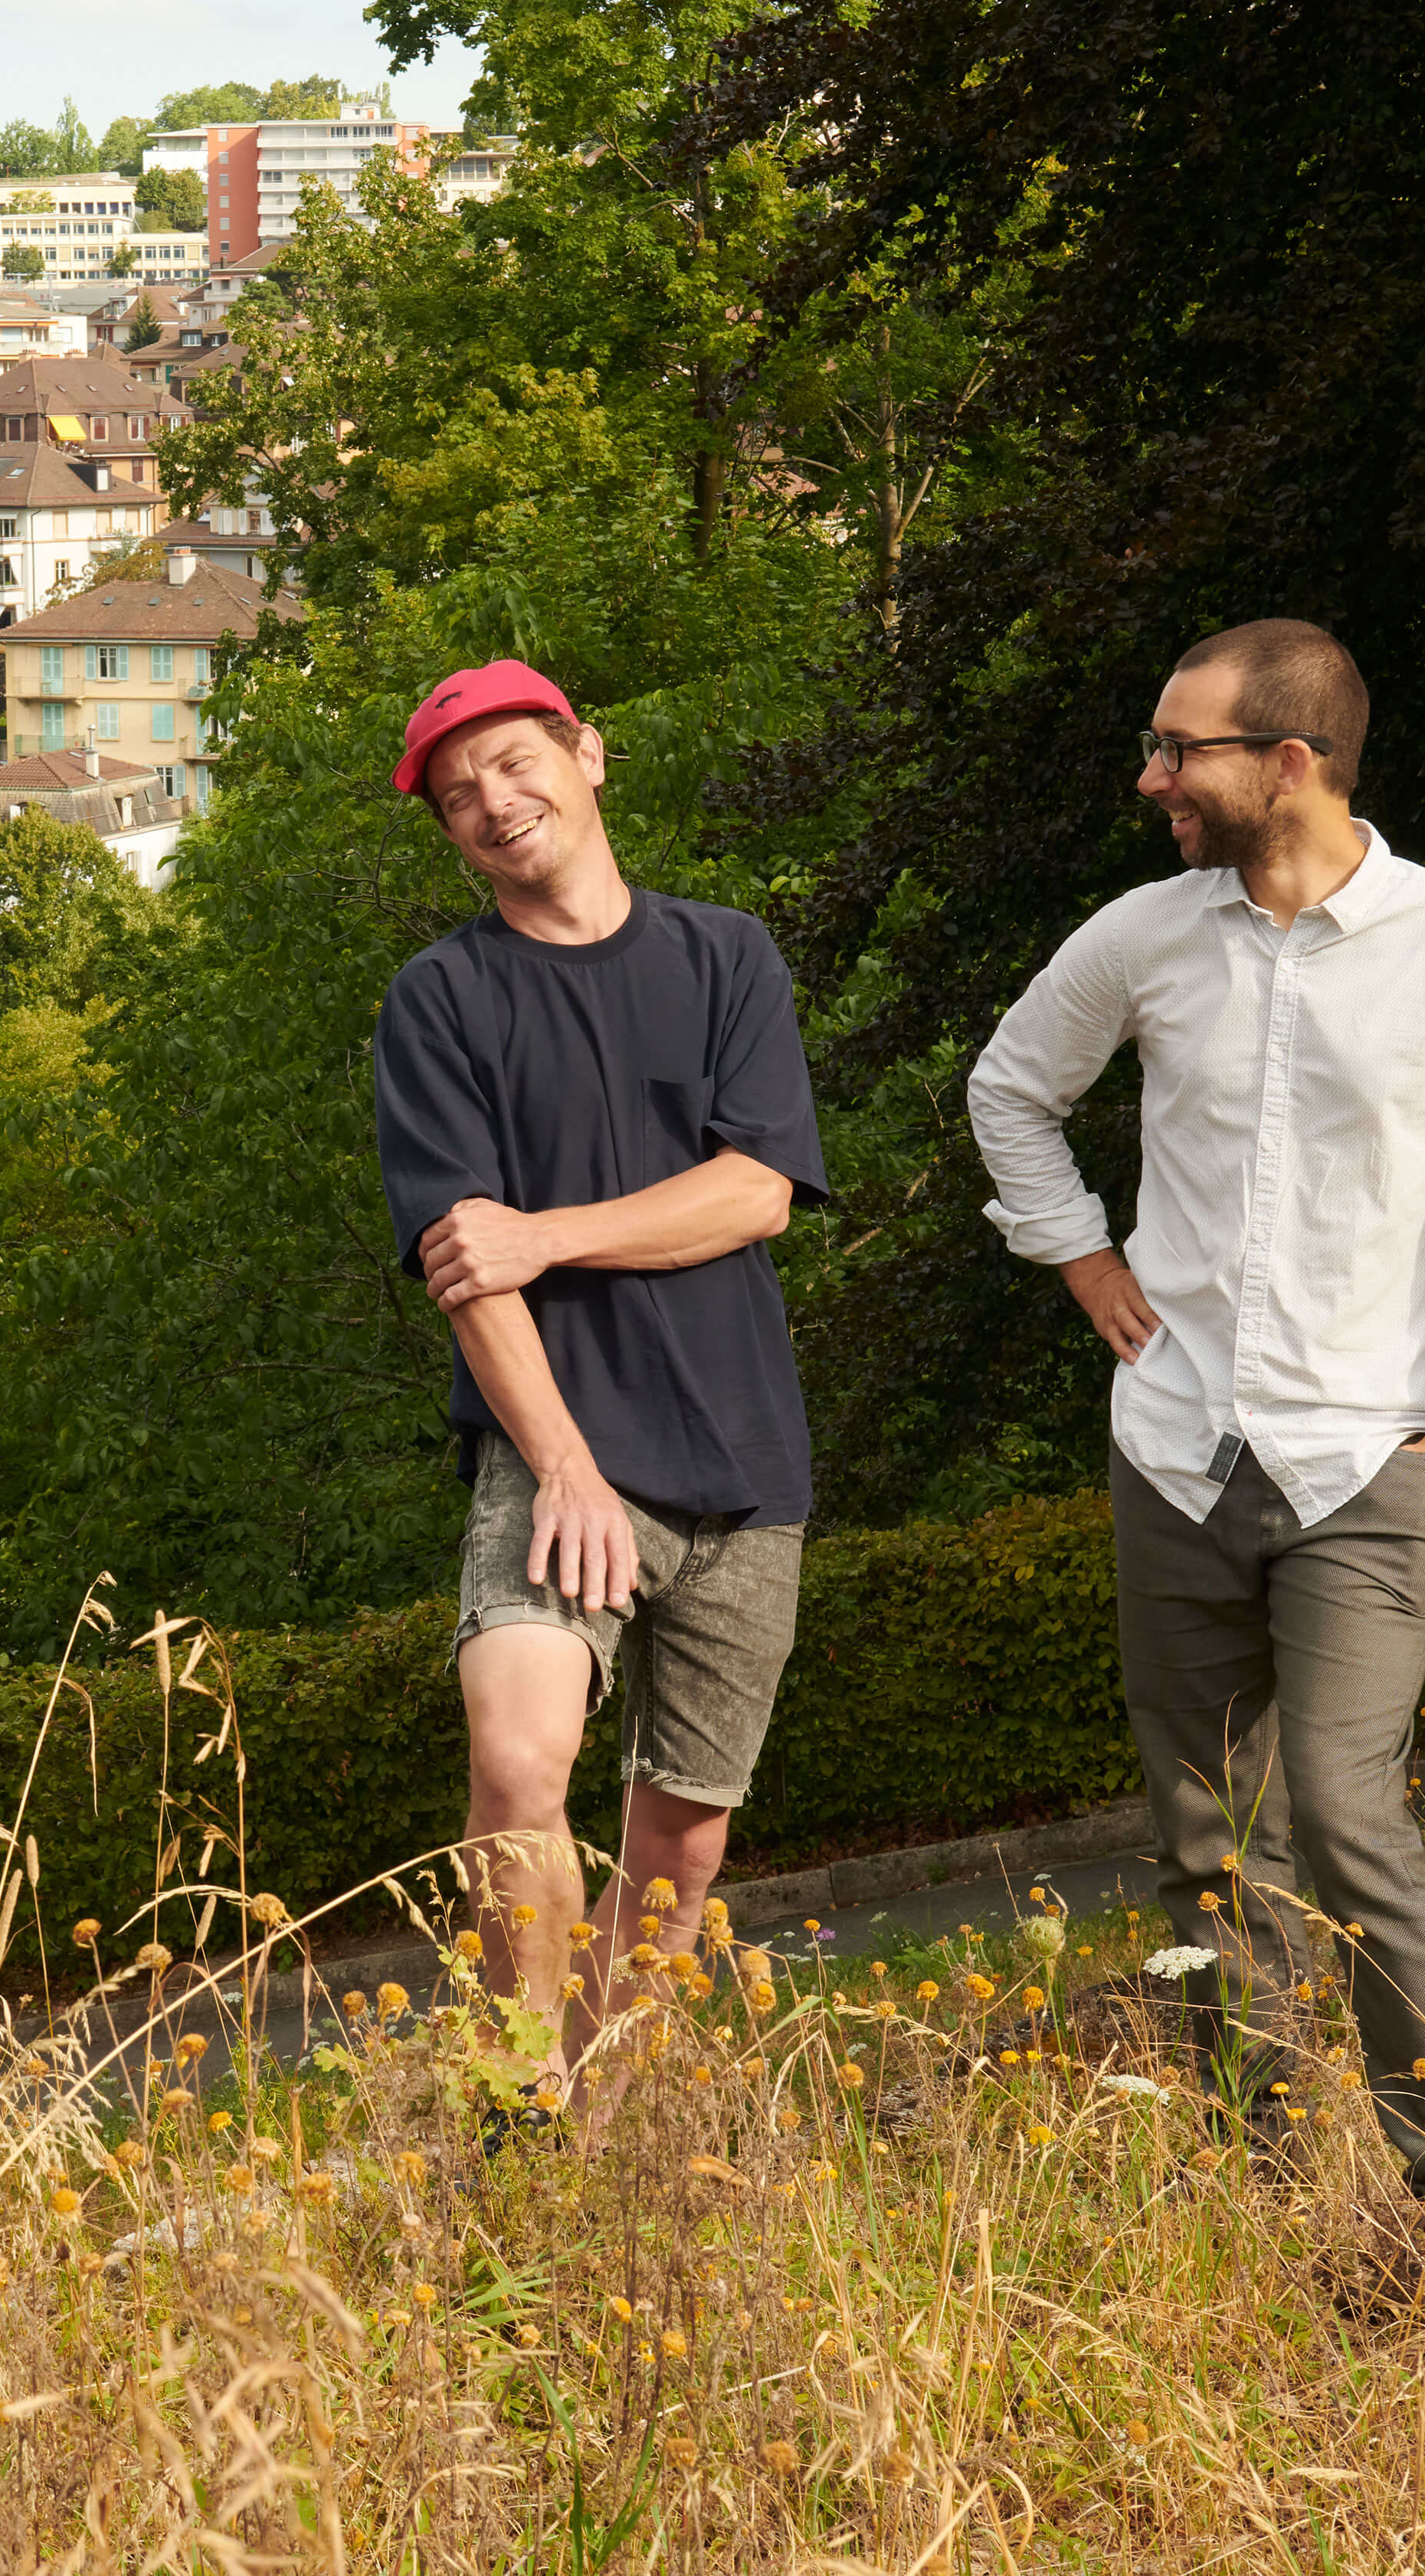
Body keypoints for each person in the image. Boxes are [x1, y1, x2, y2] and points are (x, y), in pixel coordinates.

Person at [965, 619, 1425, 2198]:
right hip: (1173, 1445)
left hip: (1375, 1454)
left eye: (1183, 750)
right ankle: (1278, 2184)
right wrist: (1079, 1255)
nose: (1152, 776)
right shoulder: (1145, 938)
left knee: (1341, 1809)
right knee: (1207, 1841)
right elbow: (1008, 1088)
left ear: (1288, 764)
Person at [372, 660, 827, 2109]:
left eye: (514, 764)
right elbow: (466, 1272)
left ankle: (611, 2101)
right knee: (519, 1759)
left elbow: (755, 1191)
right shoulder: (441, 1000)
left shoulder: (727, 957)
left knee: (682, 1839)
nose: (494, 804)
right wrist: (565, 1464)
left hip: (746, 1458)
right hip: (557, 1452)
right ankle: (521, 2101)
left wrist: (548, 1229)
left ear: (589, 755)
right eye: (459, 797)